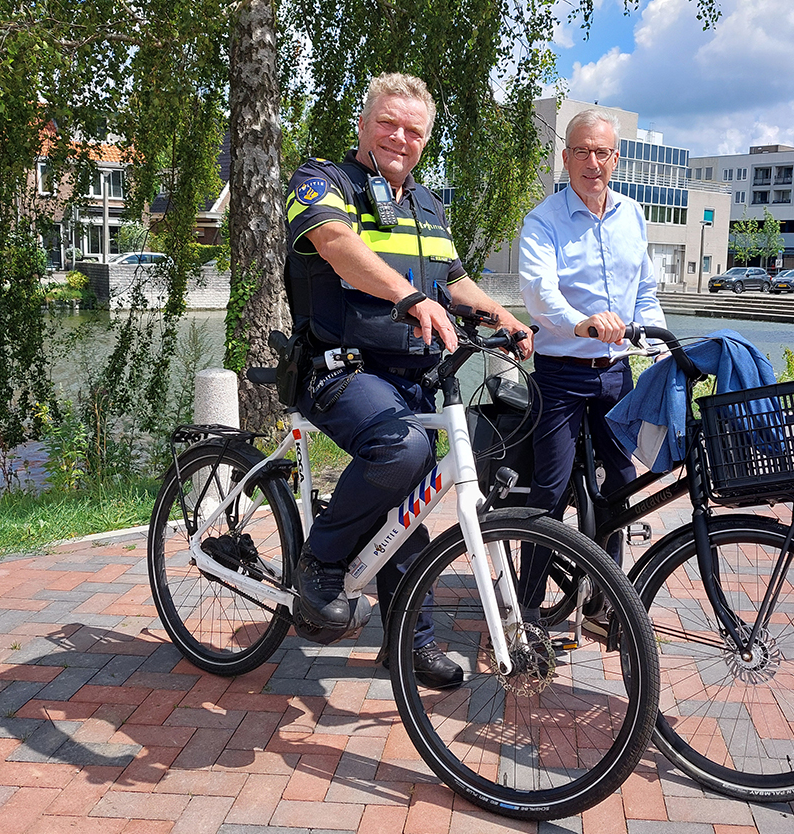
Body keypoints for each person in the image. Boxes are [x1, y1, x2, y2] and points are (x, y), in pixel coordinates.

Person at [283, 73, 531, 690]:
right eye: (388, 123)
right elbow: (338, 248)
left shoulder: (428, 206)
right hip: (339, 369)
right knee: (404, 449)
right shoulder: (321, 181)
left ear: (426, 141)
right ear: (363, 125)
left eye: (414, 130)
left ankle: (406, 640)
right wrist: (410, 296)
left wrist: (502, 316)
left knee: (410, 499)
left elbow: (453, 278)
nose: (400, 137)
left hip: (412, 376)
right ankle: (321, 560)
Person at [516, 108, 666, 620]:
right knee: (550, 492)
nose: (592, 162)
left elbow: (644, 291)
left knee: (623, 483)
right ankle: (527, 610)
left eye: (602, 152)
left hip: (616, 374)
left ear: (616, 158)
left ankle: (607, 597)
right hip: (560, 374)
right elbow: (538, 292)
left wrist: (660, 345)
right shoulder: (543, 221)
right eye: (581, 151)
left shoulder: (632, 214)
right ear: (566, 157)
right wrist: (580, 323)